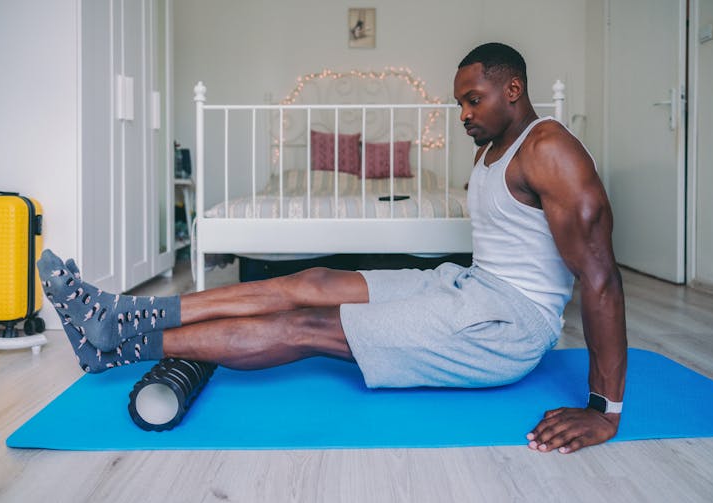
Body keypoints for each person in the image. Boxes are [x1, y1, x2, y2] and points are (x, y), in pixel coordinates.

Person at [38, 42, 626, 454]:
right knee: (314, 280)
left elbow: (600, 279)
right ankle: (116, 315)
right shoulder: (493, 147)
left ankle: (118, 344)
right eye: (460, 104)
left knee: (309, 323)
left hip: (508, 323)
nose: (464, 115)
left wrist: (605, 411)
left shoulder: (548, 147)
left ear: (514, 89)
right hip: (468, 285)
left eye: (473, 100)